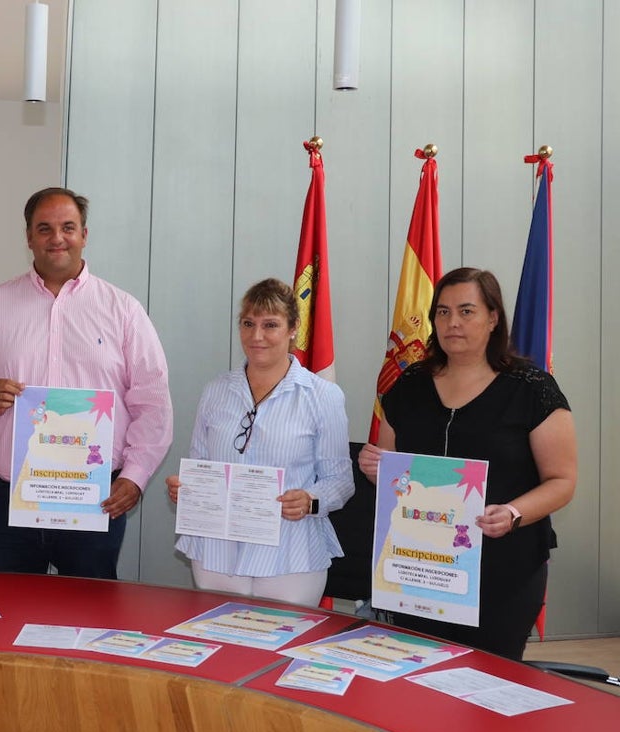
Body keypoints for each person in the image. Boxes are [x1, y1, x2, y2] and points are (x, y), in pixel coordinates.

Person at [0, 187, 173, 579]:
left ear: (84, 234)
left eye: (68, 227)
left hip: (95, 496)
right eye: (44, 228)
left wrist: (134, 475)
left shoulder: (123, 311)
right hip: (9, 496)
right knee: (8, 620)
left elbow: (152, 401)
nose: (56, 238)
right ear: (29, 237)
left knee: (88, 620)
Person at [358, 267, 577, 660]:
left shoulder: (531, 389)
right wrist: (378, 467)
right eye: (442, 312)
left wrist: (513, 512)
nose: (452, 322)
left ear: (493, 318)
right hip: (419, 567)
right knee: (416, 681)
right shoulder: (408, 387)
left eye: (466, 311)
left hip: (503, 569)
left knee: (486, 685)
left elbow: (562, 480)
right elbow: (391, 468)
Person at [165, 279, 354, 606]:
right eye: (248, 324)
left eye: (270, 325)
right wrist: (185, 489)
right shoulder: (216, 390)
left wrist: (310, 500)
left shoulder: (322, 396)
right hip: (216, 551)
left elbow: (341, 481)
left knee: (281, 648)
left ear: (293, 328)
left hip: (290, 554)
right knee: (220, 646)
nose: (256, 336)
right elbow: (199, 464)